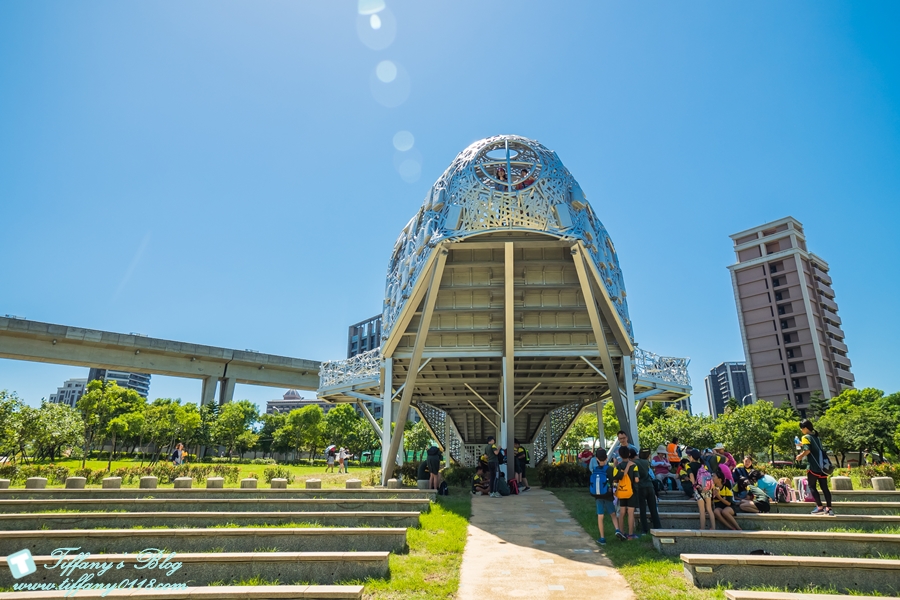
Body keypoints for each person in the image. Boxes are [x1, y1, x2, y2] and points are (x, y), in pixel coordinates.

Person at [797, 419, 834, 516]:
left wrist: (800, 456)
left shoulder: (805, 437)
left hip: (813, 466)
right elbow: (814, 448)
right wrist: (801, 444)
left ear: (805, 428)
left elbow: (808, 450)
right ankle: (829, 508)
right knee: (824, 487)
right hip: (823, 466)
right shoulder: (816, 437)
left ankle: (819, 507)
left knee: (811, 486)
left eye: (801, 428)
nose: (801, 430)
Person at [589, 448, 621, 545]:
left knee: (600, 516)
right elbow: (616, 479)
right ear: (607, 458)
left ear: (597, 459)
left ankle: (602, 538)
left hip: (598, 496)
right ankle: (617, 529)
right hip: (608, 494)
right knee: (612, 514)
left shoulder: (594, 469)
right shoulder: (610, 469)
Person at [613, 446, 639, 540]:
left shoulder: (618, 466)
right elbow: (636, 479)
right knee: (630, 512)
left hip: (622, 491)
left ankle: (621, 532)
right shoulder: (634, 465)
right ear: (629, 454)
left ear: (619, 455)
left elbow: (615, 479)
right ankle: (631, 535)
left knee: (622, 511)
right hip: (631, 492)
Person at [634, 448, 662, 534]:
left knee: (642, 509)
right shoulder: (648, 463)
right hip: (650, 486)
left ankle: (644, 530)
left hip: (640, 487)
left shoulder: (636, 463)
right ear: (648, 455)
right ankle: (657, 527)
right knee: (653, 508)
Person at [687, 448, 715, 530]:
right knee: (709, 509)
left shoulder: (688, 465)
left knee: (702, 510)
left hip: (699, 489)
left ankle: (702, 528)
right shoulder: (702, 465)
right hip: (707, 488)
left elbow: (692, 476)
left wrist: (694, 485)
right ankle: (713, 528)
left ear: (691, 457)